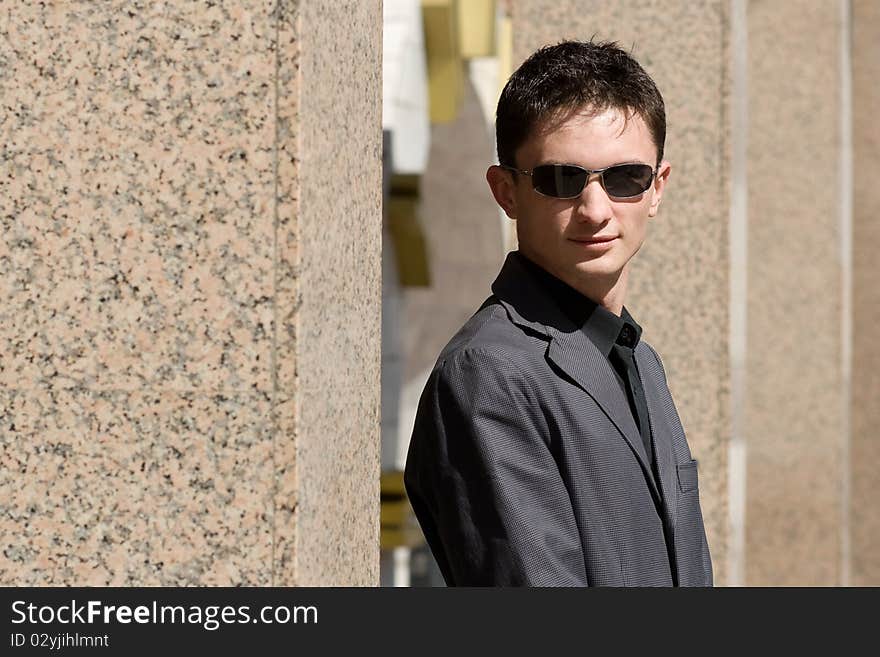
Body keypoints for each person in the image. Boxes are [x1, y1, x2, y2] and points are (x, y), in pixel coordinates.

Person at [403, 40, 713, 586]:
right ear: (506, 192)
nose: (596, 211)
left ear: (657, 187)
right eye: (562, 180)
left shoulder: (639, 359)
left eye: (625, 179)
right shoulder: (491, 373)